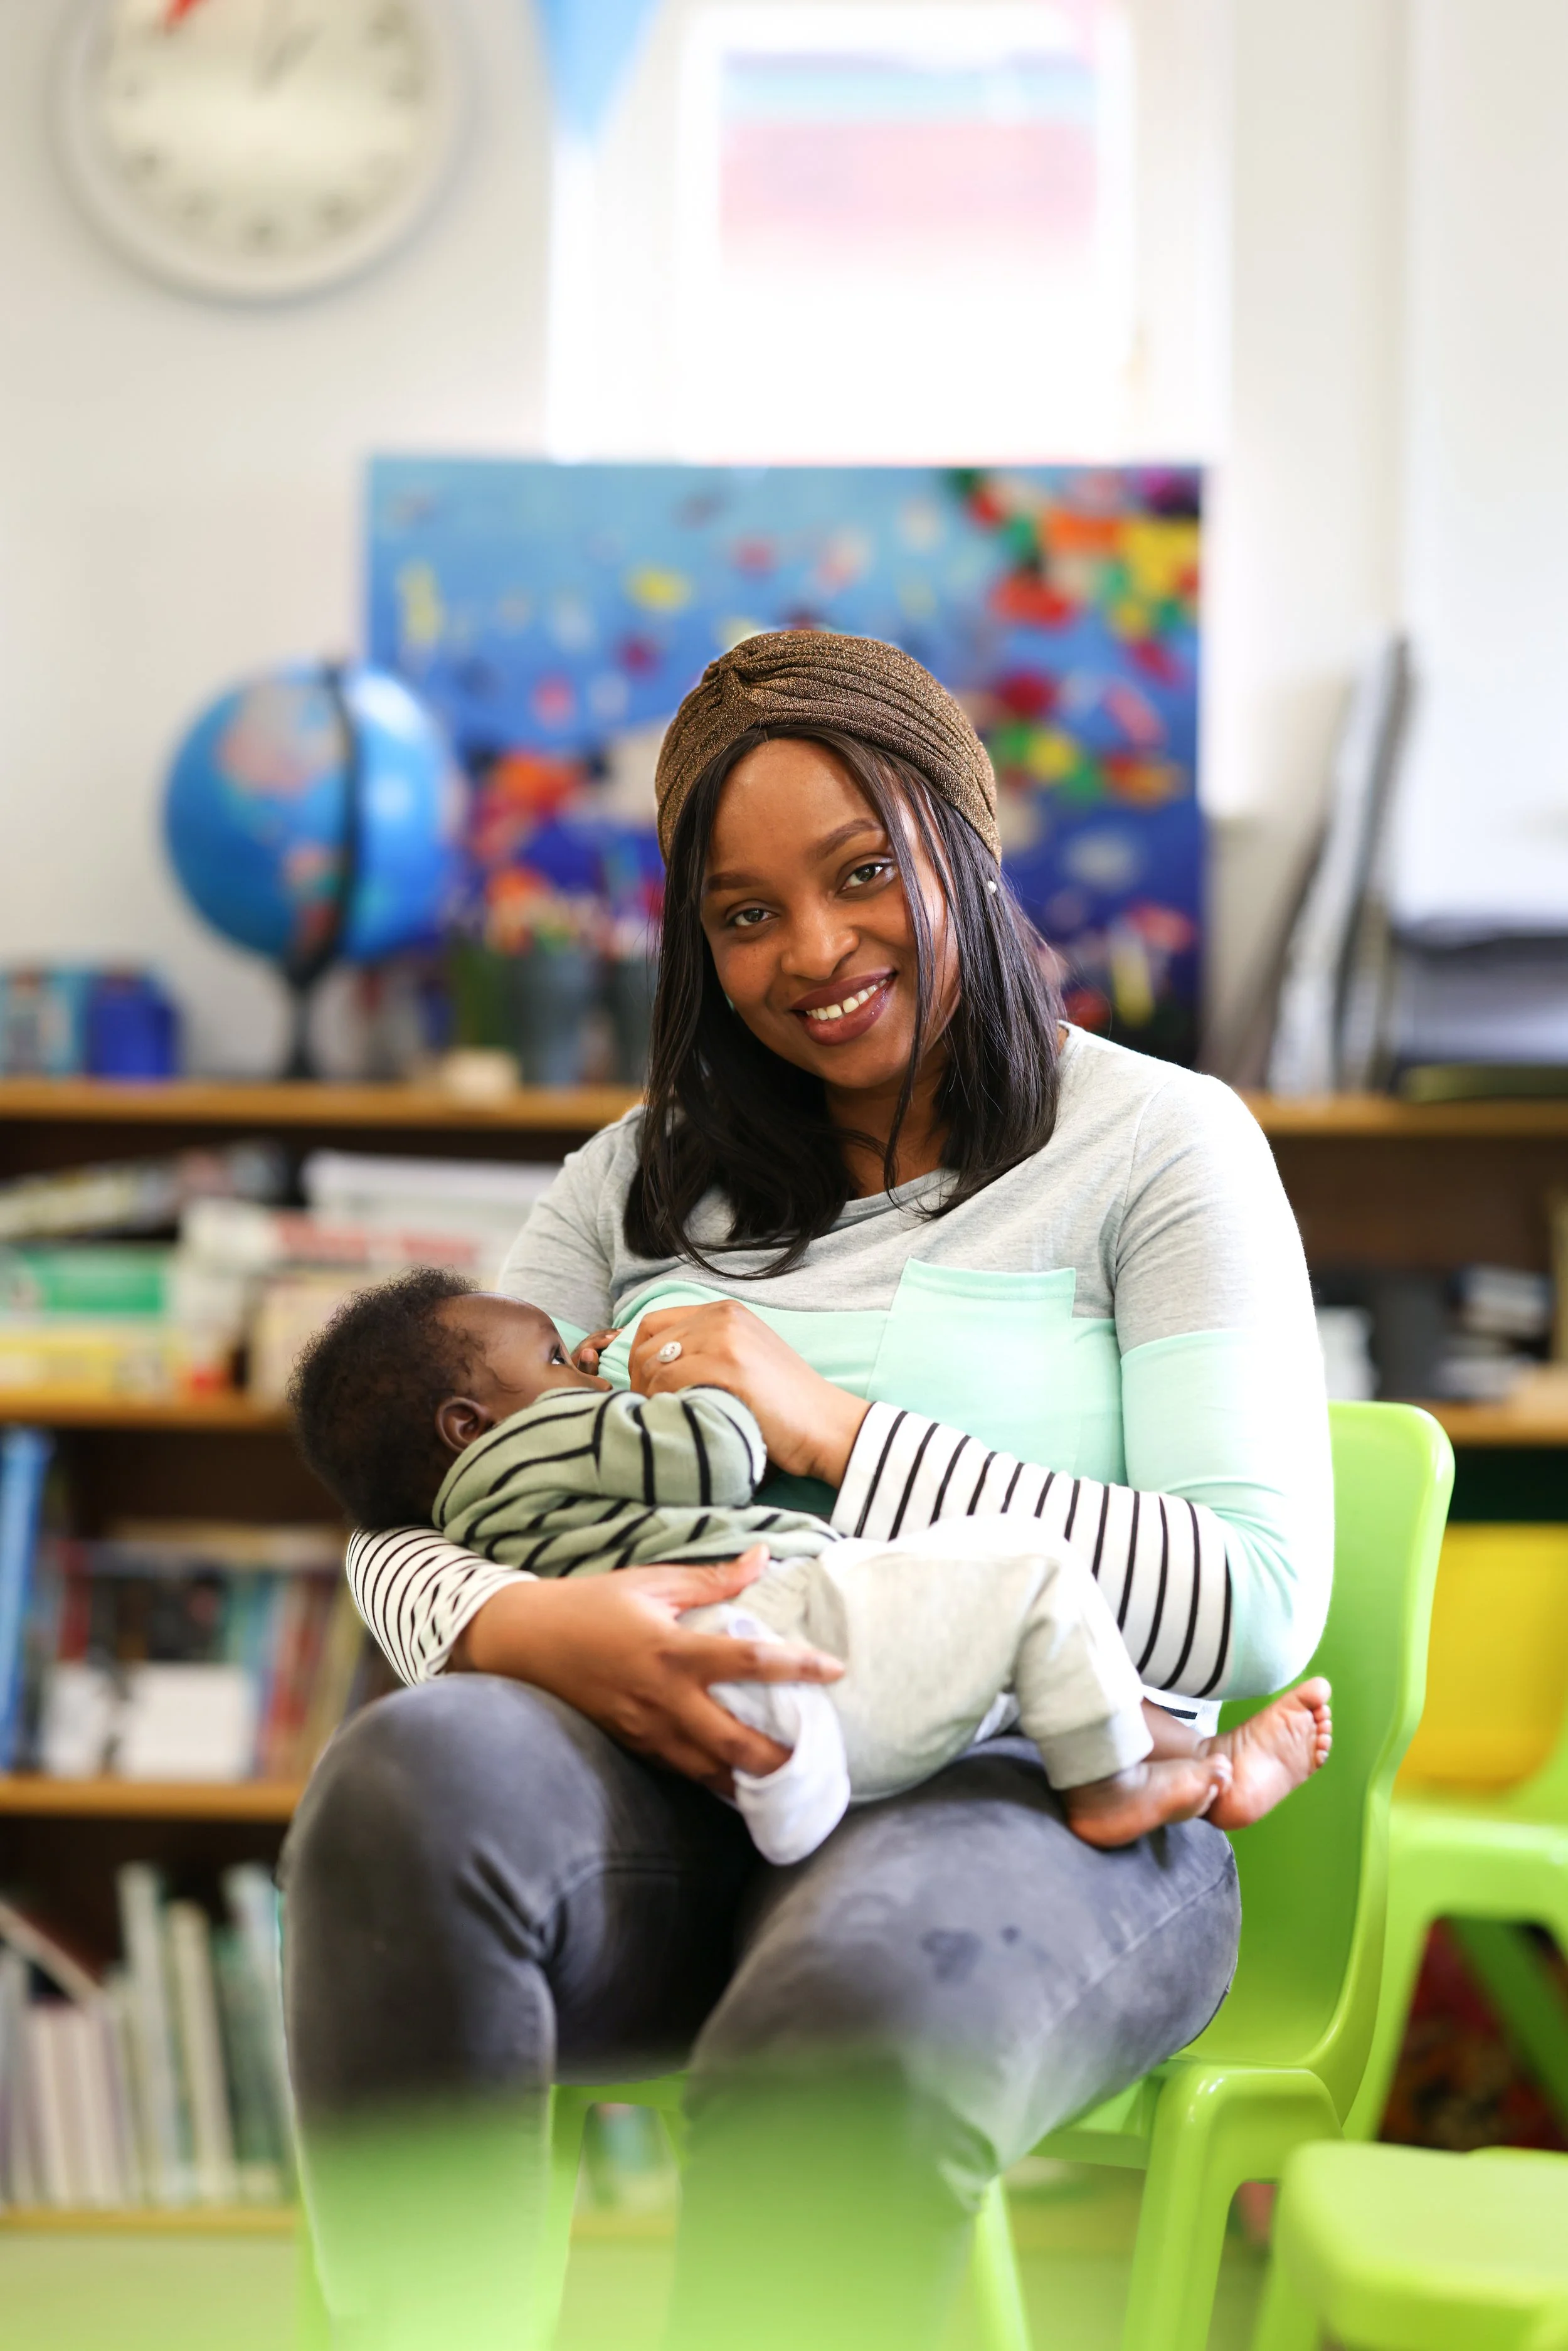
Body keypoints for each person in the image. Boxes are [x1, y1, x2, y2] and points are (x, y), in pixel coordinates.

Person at [283, 630, 1334, 2351]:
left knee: (847, 2017)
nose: (815, 953)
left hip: (1036, 1793)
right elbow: (406, 1507)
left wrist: (828, 1422)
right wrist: (538, 1623)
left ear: (961, 840)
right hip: (677, 1776)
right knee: (403, 1773)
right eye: (744, 911)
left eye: (860, 874)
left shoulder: (1160, 1143)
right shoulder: (630, 1182)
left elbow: (1244, 1599)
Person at [288, 1271, 1333, 1865]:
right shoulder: (543, 1434)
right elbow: (719, 1456)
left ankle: (1185, 1769)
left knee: (1021, 1658)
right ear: (468, 1423)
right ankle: (1130, 1782)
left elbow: (1257, 1605)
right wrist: (677, 1392)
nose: (583, 1360)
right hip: (789, 1614)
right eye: (560, 1359)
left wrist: (832, 1423)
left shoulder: (482, 1483)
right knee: (1035, 1572)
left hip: (750, 1665)